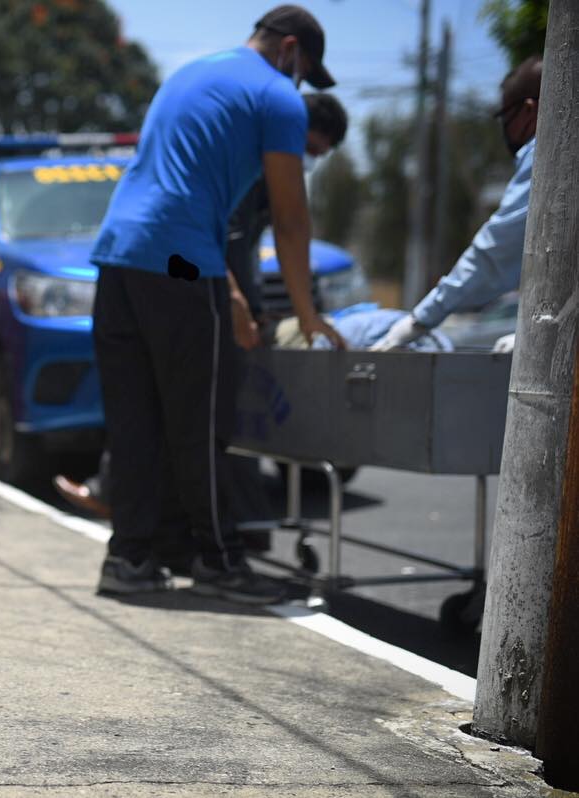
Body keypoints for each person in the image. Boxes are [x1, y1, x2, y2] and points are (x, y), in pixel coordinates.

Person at [87, 5, 345, 604]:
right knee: (200, 421)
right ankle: (219, 560)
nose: (301, 83)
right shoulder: (278, 96)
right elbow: (289, 216)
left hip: (119, 256)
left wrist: (223, 288)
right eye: (304, 69)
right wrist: (307, 314)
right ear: (288, 50)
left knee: (135, 422)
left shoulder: (189, 73)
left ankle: (130, 559)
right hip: (177, 261)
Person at [55, 91, 349, 522]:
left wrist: (250, 304)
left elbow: (246, 248)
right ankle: (185, 526)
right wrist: (235, 304)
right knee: (173, 410)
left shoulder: (261, 168)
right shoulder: (244, 164)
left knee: (202, 417)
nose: (306, 161)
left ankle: (222, 527)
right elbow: (223, 242)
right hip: (190, 283)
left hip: (206, 286)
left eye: (317, 156)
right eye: (308, 149)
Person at [371, 55, 543, 352]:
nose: (504, 128)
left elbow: (495, 252)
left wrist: (420, 320)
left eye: (505, 117)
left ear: (529, 110)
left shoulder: (547, 153)